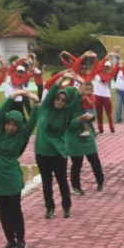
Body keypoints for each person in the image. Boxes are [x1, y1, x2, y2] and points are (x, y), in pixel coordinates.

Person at [0, 90, 41, 248]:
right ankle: (10, 240)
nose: (10, 127)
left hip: (11, 179)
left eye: (15, 124)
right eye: (9, 123)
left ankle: (21, 240)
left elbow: (31, 123)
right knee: (2, 212)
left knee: (15, 211)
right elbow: (1, 112)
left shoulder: (22, 136)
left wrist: (36, 103)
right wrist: (13, 96)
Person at [35, 74, 82, 219]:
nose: (60, 102)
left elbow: (79, 94)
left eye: (63, 100)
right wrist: (63, 77)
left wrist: (80, 80)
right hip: (42, 153)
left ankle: (66, 207)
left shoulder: (67, 113)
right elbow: (53, 88)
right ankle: (50, 208)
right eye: (58, 98)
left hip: (58, 154)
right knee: (47, 183)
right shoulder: (45, 108)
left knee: (62, 182)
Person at [68, 82, 104, 196]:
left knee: (94, 160)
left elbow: (93, 114)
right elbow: (68, 125)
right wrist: (80, 119)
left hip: (88, 138)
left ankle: (100, 182)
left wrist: (91, 117)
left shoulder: (84, 104)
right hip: (74, 139)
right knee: (76, 164)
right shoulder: (66, 110)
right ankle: (76, 186)